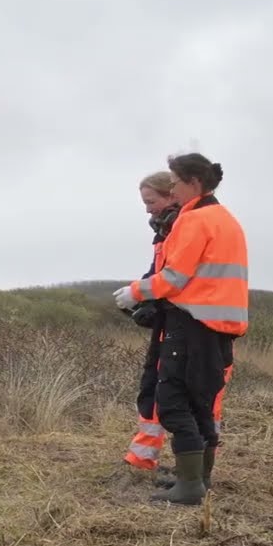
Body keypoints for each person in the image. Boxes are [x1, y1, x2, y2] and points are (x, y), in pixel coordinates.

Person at [114, 153, 248, 505]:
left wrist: (134, 293)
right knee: (202, 403)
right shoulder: (227, 220)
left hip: (192, 322)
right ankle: (198, 478)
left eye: (174, 183)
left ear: (193, 182)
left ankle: (190, 486)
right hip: (218, 325)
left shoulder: (194, 221)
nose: (172, 189)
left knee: (173, 402)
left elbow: (174, 277)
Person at [122, 172, 178, 473]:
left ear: (171, 195)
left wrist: (143, 295)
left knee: (173, 392)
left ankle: (191, 468)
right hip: (167, 323)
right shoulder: (164, 231)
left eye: (151, 201)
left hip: (183, 327)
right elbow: (156, 273)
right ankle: (143, 457)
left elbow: (176, 278)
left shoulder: (182, 229)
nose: (147, 209)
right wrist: (142, 300)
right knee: (152, 388)